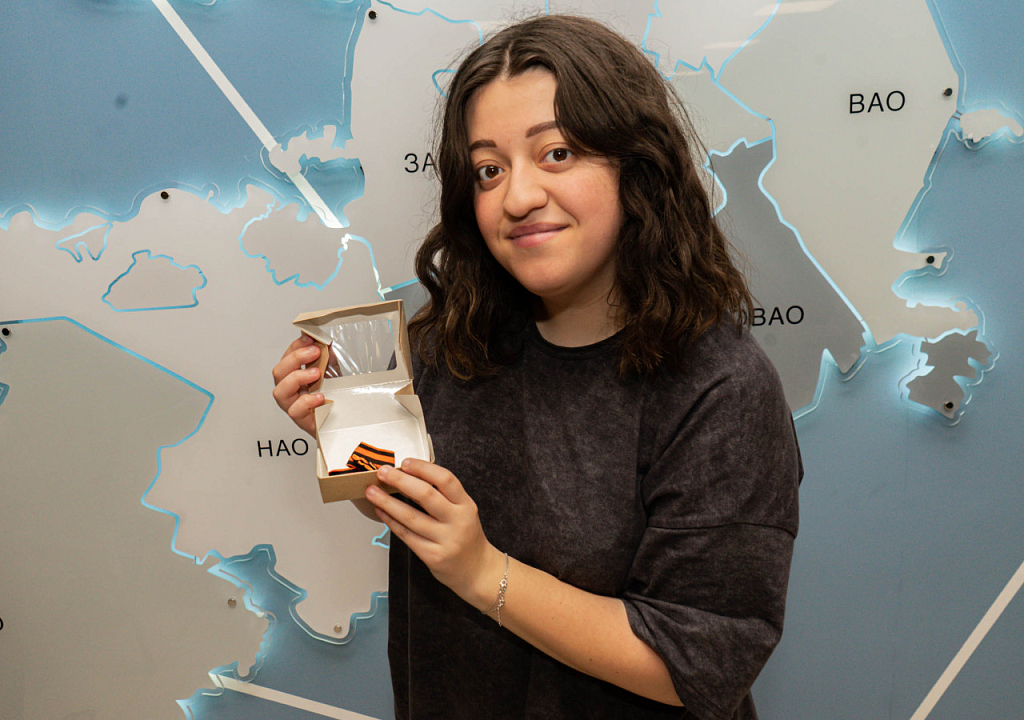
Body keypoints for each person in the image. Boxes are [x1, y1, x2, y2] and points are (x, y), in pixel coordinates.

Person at [273, 14, 801, 720]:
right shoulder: (451, 343)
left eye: (556, 154)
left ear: (636, 166)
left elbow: (698, 664)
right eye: (489, 170)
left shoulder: (722, 389)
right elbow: (420, 515)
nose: (517, 198)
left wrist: (481, 571)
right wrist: (347, 435)